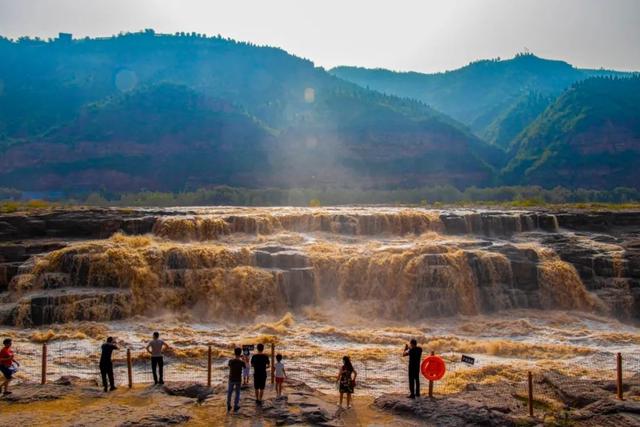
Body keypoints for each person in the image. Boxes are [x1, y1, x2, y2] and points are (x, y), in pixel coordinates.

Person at [227, 347, 245, 413]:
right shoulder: (241, 362)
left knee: (229, 392)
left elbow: (229, 365)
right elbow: (245, 367)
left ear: (234, 353)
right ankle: (235, 406)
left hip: (231, 378)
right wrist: (243, 359)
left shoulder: (231, 361)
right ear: (240, 353)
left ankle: (228, 404)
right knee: (237, 393)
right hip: (238, 379)